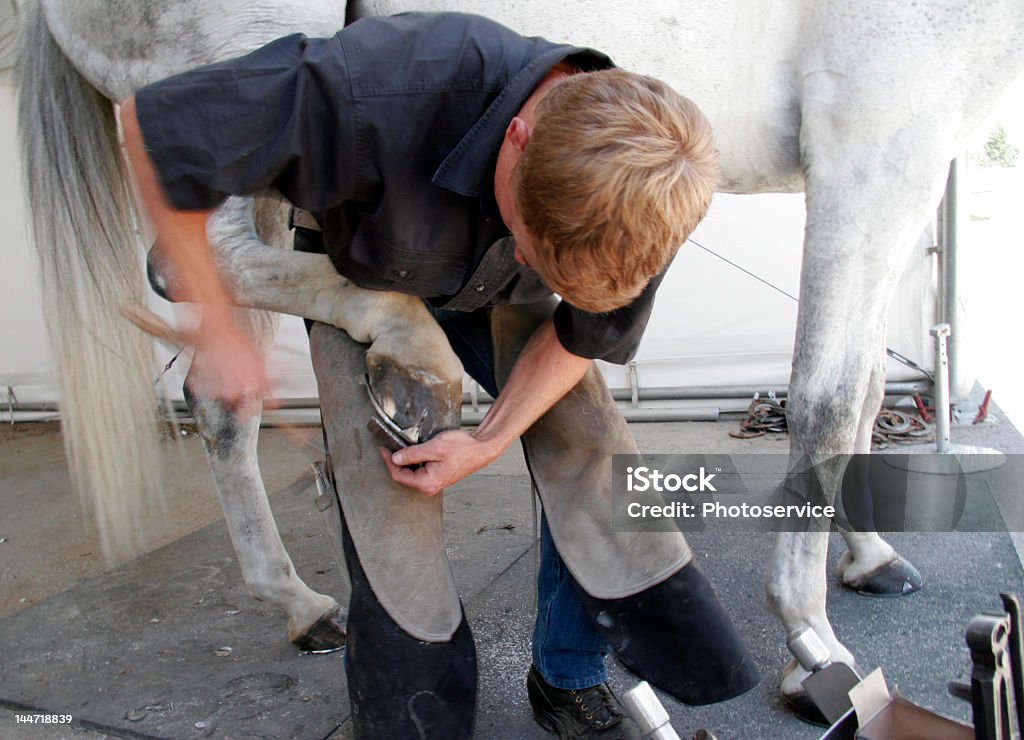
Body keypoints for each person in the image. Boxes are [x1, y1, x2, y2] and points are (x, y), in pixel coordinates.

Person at [121, 11, 759, 739]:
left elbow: (578, 334)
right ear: (518, 140)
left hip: (493, 276)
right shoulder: (366, 89)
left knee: (588, 446)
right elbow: (149, 124)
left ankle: (571, 676)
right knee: (391, 502)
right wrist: (217, 324)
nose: (527, 258)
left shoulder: (648, 184)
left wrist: (489, 440)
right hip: (362, 263)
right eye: (529, 240)